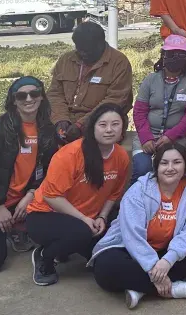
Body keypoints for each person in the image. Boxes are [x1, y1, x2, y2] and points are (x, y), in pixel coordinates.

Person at [90, 144, 186, 308]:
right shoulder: (139, 190)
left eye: (177, 162)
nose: (170, 168)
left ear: (185, 165)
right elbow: (132, 235)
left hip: (165, 251)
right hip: (129, 249)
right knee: (105, 268)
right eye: (164, 163)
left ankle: (140, 289)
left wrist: (168, 260)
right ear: (156, 166)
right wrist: (153, 267)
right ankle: (172, 289)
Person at [26, 103, 130, 286]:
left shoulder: (121, 157)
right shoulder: (70, 154)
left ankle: (65, 247)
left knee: (103, 258)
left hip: (89, 217)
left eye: (115, 124)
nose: (109, 130)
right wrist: (84, 219)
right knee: (81, 233)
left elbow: (114, 193)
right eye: (103, 124)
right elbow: (51, 196)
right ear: (92, 127)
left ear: (123, 128)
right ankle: (45, 256)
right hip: (45, 214)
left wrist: (102, 217)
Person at [0, 77, 59, 273]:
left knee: (60, 234)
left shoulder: (47, 130)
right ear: (13, 100)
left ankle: (16, 227)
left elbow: (49, 171)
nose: (29, 99)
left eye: (35, 94)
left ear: (42, 97)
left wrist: (30, 195)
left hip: (22, 201)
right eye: (22, 95)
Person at [130, 35, 186, 182]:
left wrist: (171, 136)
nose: (175, 57)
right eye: (171, 53)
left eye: (180, 54)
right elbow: (139, 111)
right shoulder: (151, 79)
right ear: (163, 55)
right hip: (147, 136)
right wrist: (146, 138)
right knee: (142, 169)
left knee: (172, 171)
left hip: (178, 137)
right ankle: (135, 203)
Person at [48, 22, 133, 143]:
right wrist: (61, 119)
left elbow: (115, 101)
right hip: (67, 120)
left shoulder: (119, 62)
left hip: (102, 123)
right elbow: (55, 94)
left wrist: (80, 125)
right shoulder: (65, 60)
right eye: (79, 48)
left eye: (87, 50)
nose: (82, 53)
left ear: (101, 44)